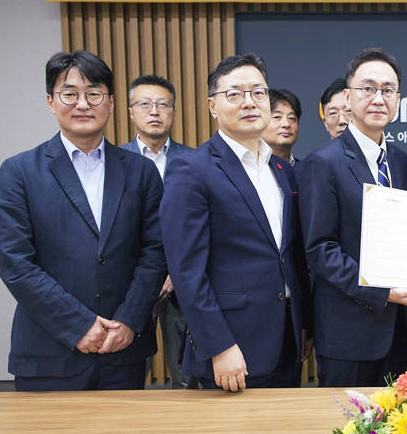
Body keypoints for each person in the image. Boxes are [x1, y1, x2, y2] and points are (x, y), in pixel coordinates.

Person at [0, 50, 167, 391]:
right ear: (51, 102)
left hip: (123, 350)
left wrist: (129, 320)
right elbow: (14, 263)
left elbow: (156, 252)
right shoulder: (19, 172)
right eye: (69, 94)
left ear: (111, 103)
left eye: (94, 94)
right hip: (49, 352)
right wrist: (78, 324)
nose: (83, 104)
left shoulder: (141, 171)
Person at [160, 53, 312, 391]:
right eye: (234, 94)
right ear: (212, 106)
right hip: (232, 347)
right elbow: (186, 271)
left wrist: (304, 325)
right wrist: (219, 345)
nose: (249, 102)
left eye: (258, 92)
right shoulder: (192, 169)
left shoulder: (282, 170)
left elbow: (289, 257)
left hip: (286, 339)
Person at [300, 48, 407, 387]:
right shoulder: (323, 162)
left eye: (387, 90)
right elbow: (320, 249)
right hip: (347, 331)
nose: (378, 98)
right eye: (367, 88)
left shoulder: (399, 160)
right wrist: (382, 291)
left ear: (398, 100)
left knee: (395, 413)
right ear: (348, 96)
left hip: (395, 327)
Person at [120, 74, 196, 389]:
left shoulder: (195, 161)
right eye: (145, 104)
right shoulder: (115, 162)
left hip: (183, 282)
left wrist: (174, 274)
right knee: (129, 372)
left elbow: (201, 225)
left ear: (174, 112)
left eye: (163, 104)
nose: (154, 111)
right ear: (130, 112)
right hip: (132, 282)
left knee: (187, 376)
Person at [262, 89, 301, 166]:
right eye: (277, 117)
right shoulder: (246, 167)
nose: (286, 124)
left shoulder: (304, 169)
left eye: (291, 118)